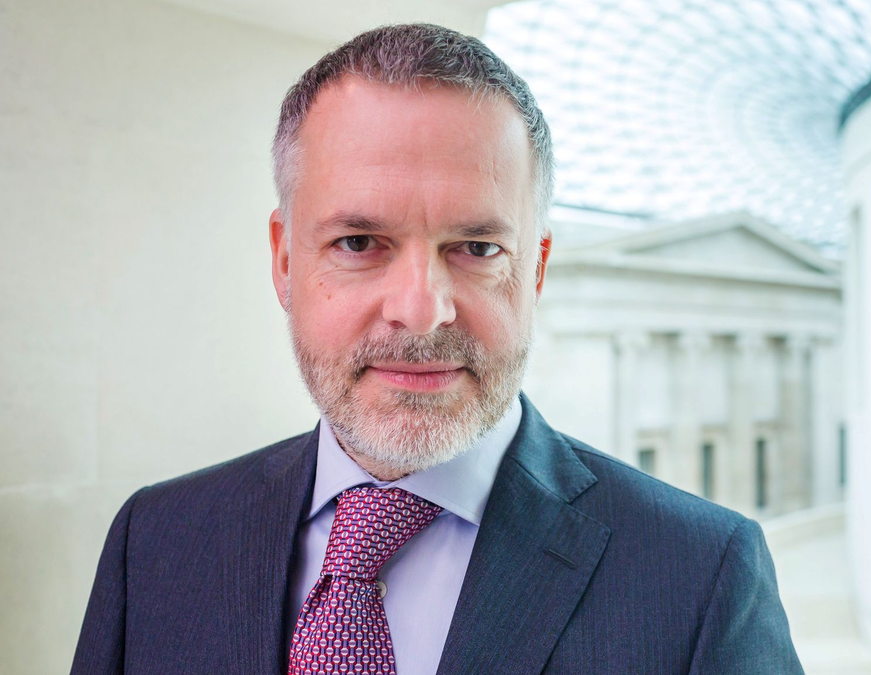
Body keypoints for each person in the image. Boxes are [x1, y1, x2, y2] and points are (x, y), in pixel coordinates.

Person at [71, 23, 803, 675]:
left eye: (478, 246)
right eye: (358, 242)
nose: (421, 310)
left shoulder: (700, 575)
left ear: (536, 269)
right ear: (285, 260)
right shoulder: (156, 542)